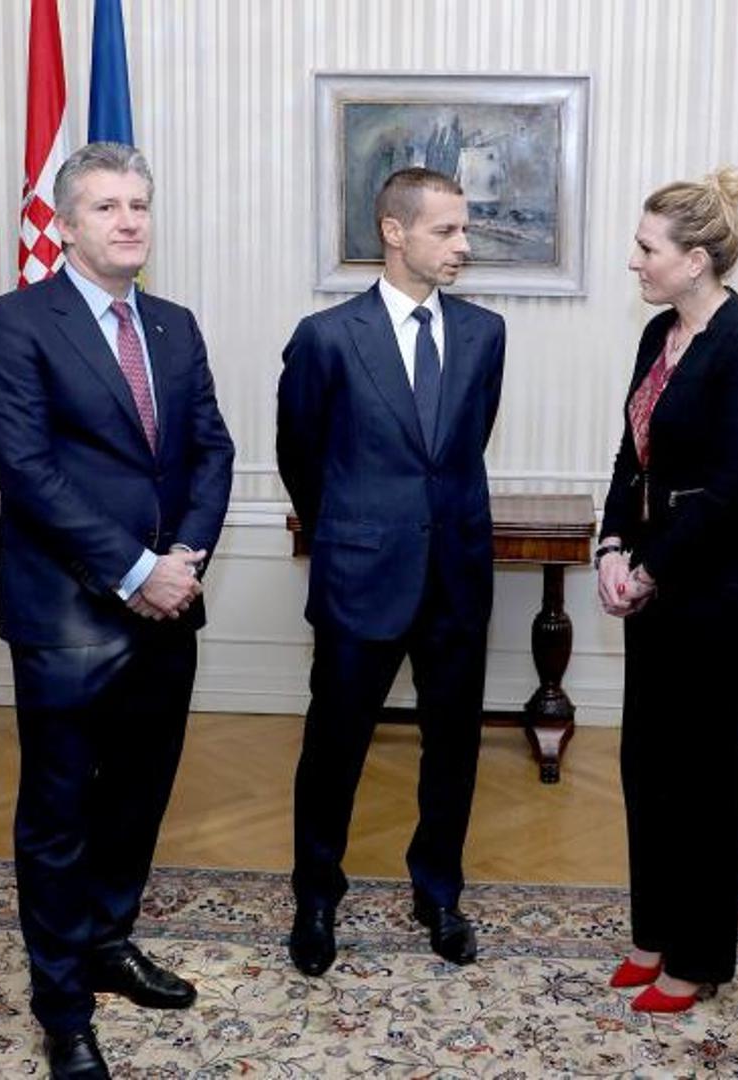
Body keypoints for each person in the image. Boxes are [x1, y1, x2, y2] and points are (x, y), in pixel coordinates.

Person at [0, 141, 234, 1078]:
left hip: (169, 604)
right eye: (107, 207)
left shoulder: (173, 324)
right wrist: (134, 569)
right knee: (59, 815)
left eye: (139, 205)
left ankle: (107, 941)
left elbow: (212, 448)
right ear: (66, 224)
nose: (129, 221)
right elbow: (26, 472)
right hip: (68, 613)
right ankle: (62, 1007)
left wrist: (184, 558)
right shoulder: (14, 323)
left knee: (137, 795)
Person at [276, 167, 506, 976]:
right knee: (333, 748)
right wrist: (351, 532)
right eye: (446, 230)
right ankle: (315, 897)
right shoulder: (326, 338)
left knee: (453, 749)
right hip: (359, 577)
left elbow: (461, 448)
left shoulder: (484, 334)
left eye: (464, 229)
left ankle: (438, 894)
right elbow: (300, 457)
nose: (462, 245)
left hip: (456, 576)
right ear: (394, 232)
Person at [594, 167, 738, 1013]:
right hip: (653, 573)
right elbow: (630, 457)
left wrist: (648, 570)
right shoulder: (658, 333)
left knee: (704, 774)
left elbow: (729, 490)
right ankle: (653, 933)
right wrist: (610, 545)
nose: (633, 261)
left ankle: (698, 957)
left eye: (647, 248)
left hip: (720, 586)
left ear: (696, 260)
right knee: (647, 763)